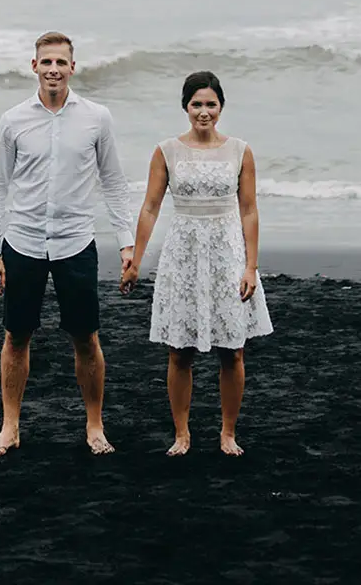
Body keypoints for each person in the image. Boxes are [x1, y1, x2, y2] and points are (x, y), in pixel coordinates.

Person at [0, 31, 136, 457]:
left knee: (86, 338)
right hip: (22, 241)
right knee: (16, 336)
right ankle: (10, 427)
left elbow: (114, 183)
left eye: (61, 62)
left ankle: (95, 426)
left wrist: (126, 243)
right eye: (46, 62)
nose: (53, 69)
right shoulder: (12, 120)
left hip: (76, 243)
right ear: (34, 66)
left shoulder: (97, 118)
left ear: (72, 68)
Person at [125, 71, 271, 456]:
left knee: (232, 350)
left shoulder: (240, 150)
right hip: (183, 255)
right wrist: (135, 260)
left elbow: (249, 209)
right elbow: (151, 207)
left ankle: (228, 432)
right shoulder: (167, 151)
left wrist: (251, 266)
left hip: (227, 254)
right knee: (179, 350)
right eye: (196, 104)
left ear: (221, 107)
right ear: (185, 107)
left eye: (211, 104)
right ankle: (182, 433)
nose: (204, 112)